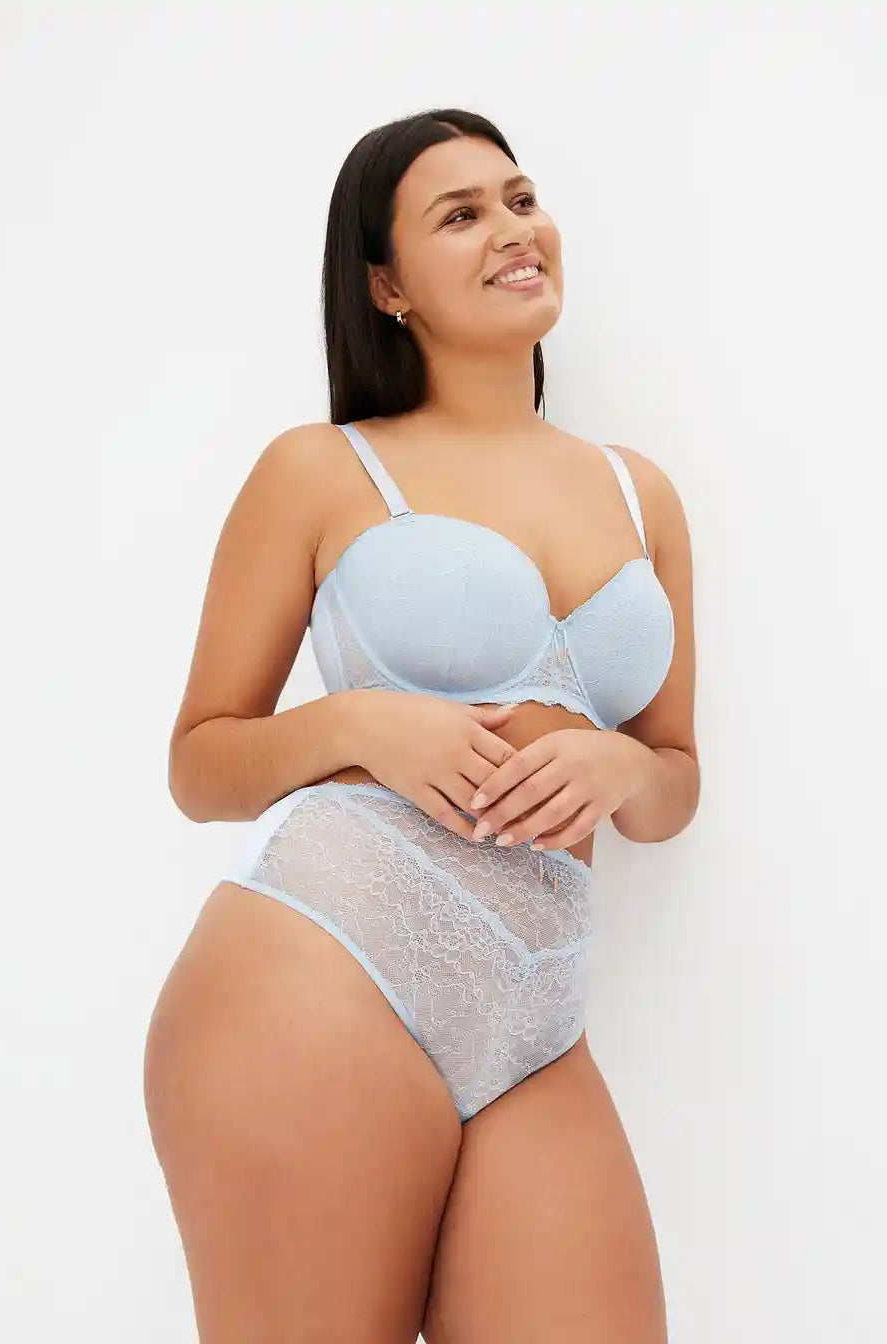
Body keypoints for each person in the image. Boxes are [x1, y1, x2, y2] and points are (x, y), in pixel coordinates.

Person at [143, 106, 700, 1344]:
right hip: (324, 967)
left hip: (538, 1018)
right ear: (386, 285)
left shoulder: (640, 493)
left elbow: (674, 787)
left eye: (520, 199)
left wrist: (622, 763)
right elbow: (200, 764)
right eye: (461, 215)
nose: (513, 228)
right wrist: (360, 725)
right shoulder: (321, 468)